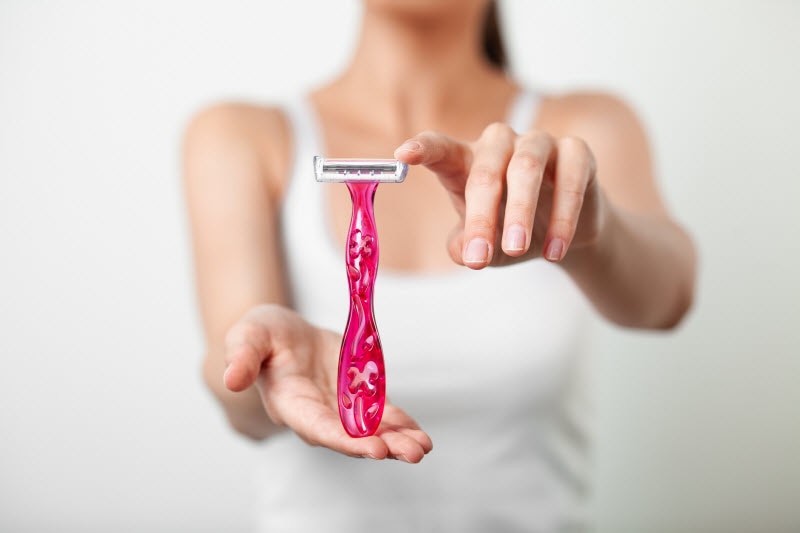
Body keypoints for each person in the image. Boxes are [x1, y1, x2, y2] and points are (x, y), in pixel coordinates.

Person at [182, 0, 696, 530]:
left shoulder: (585, 128)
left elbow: (669, 299)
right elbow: (236, 389)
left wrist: (590, 236)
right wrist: (262, 367)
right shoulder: (242, 135)